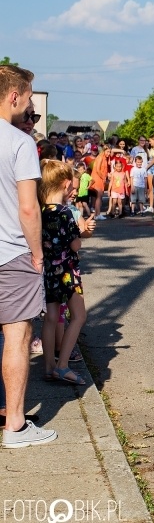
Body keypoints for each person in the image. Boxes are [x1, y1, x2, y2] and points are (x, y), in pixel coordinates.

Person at [0, 64, 57, 447]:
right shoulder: (19, 143)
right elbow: (27, 209)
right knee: (18, 337)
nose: (30, 108)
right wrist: (37, 254)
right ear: (14, 95)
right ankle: (16, 426)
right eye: (30, 98)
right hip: (11, 251)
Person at [39, 160, 89, 386]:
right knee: (79, 316)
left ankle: (49, 366)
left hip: (49, 272)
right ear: (67, 183)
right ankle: (63, 365)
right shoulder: (65, 213)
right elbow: (75, 245)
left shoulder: (41, 211)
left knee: (50, 318)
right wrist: (82, 230)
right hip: (67, 272)